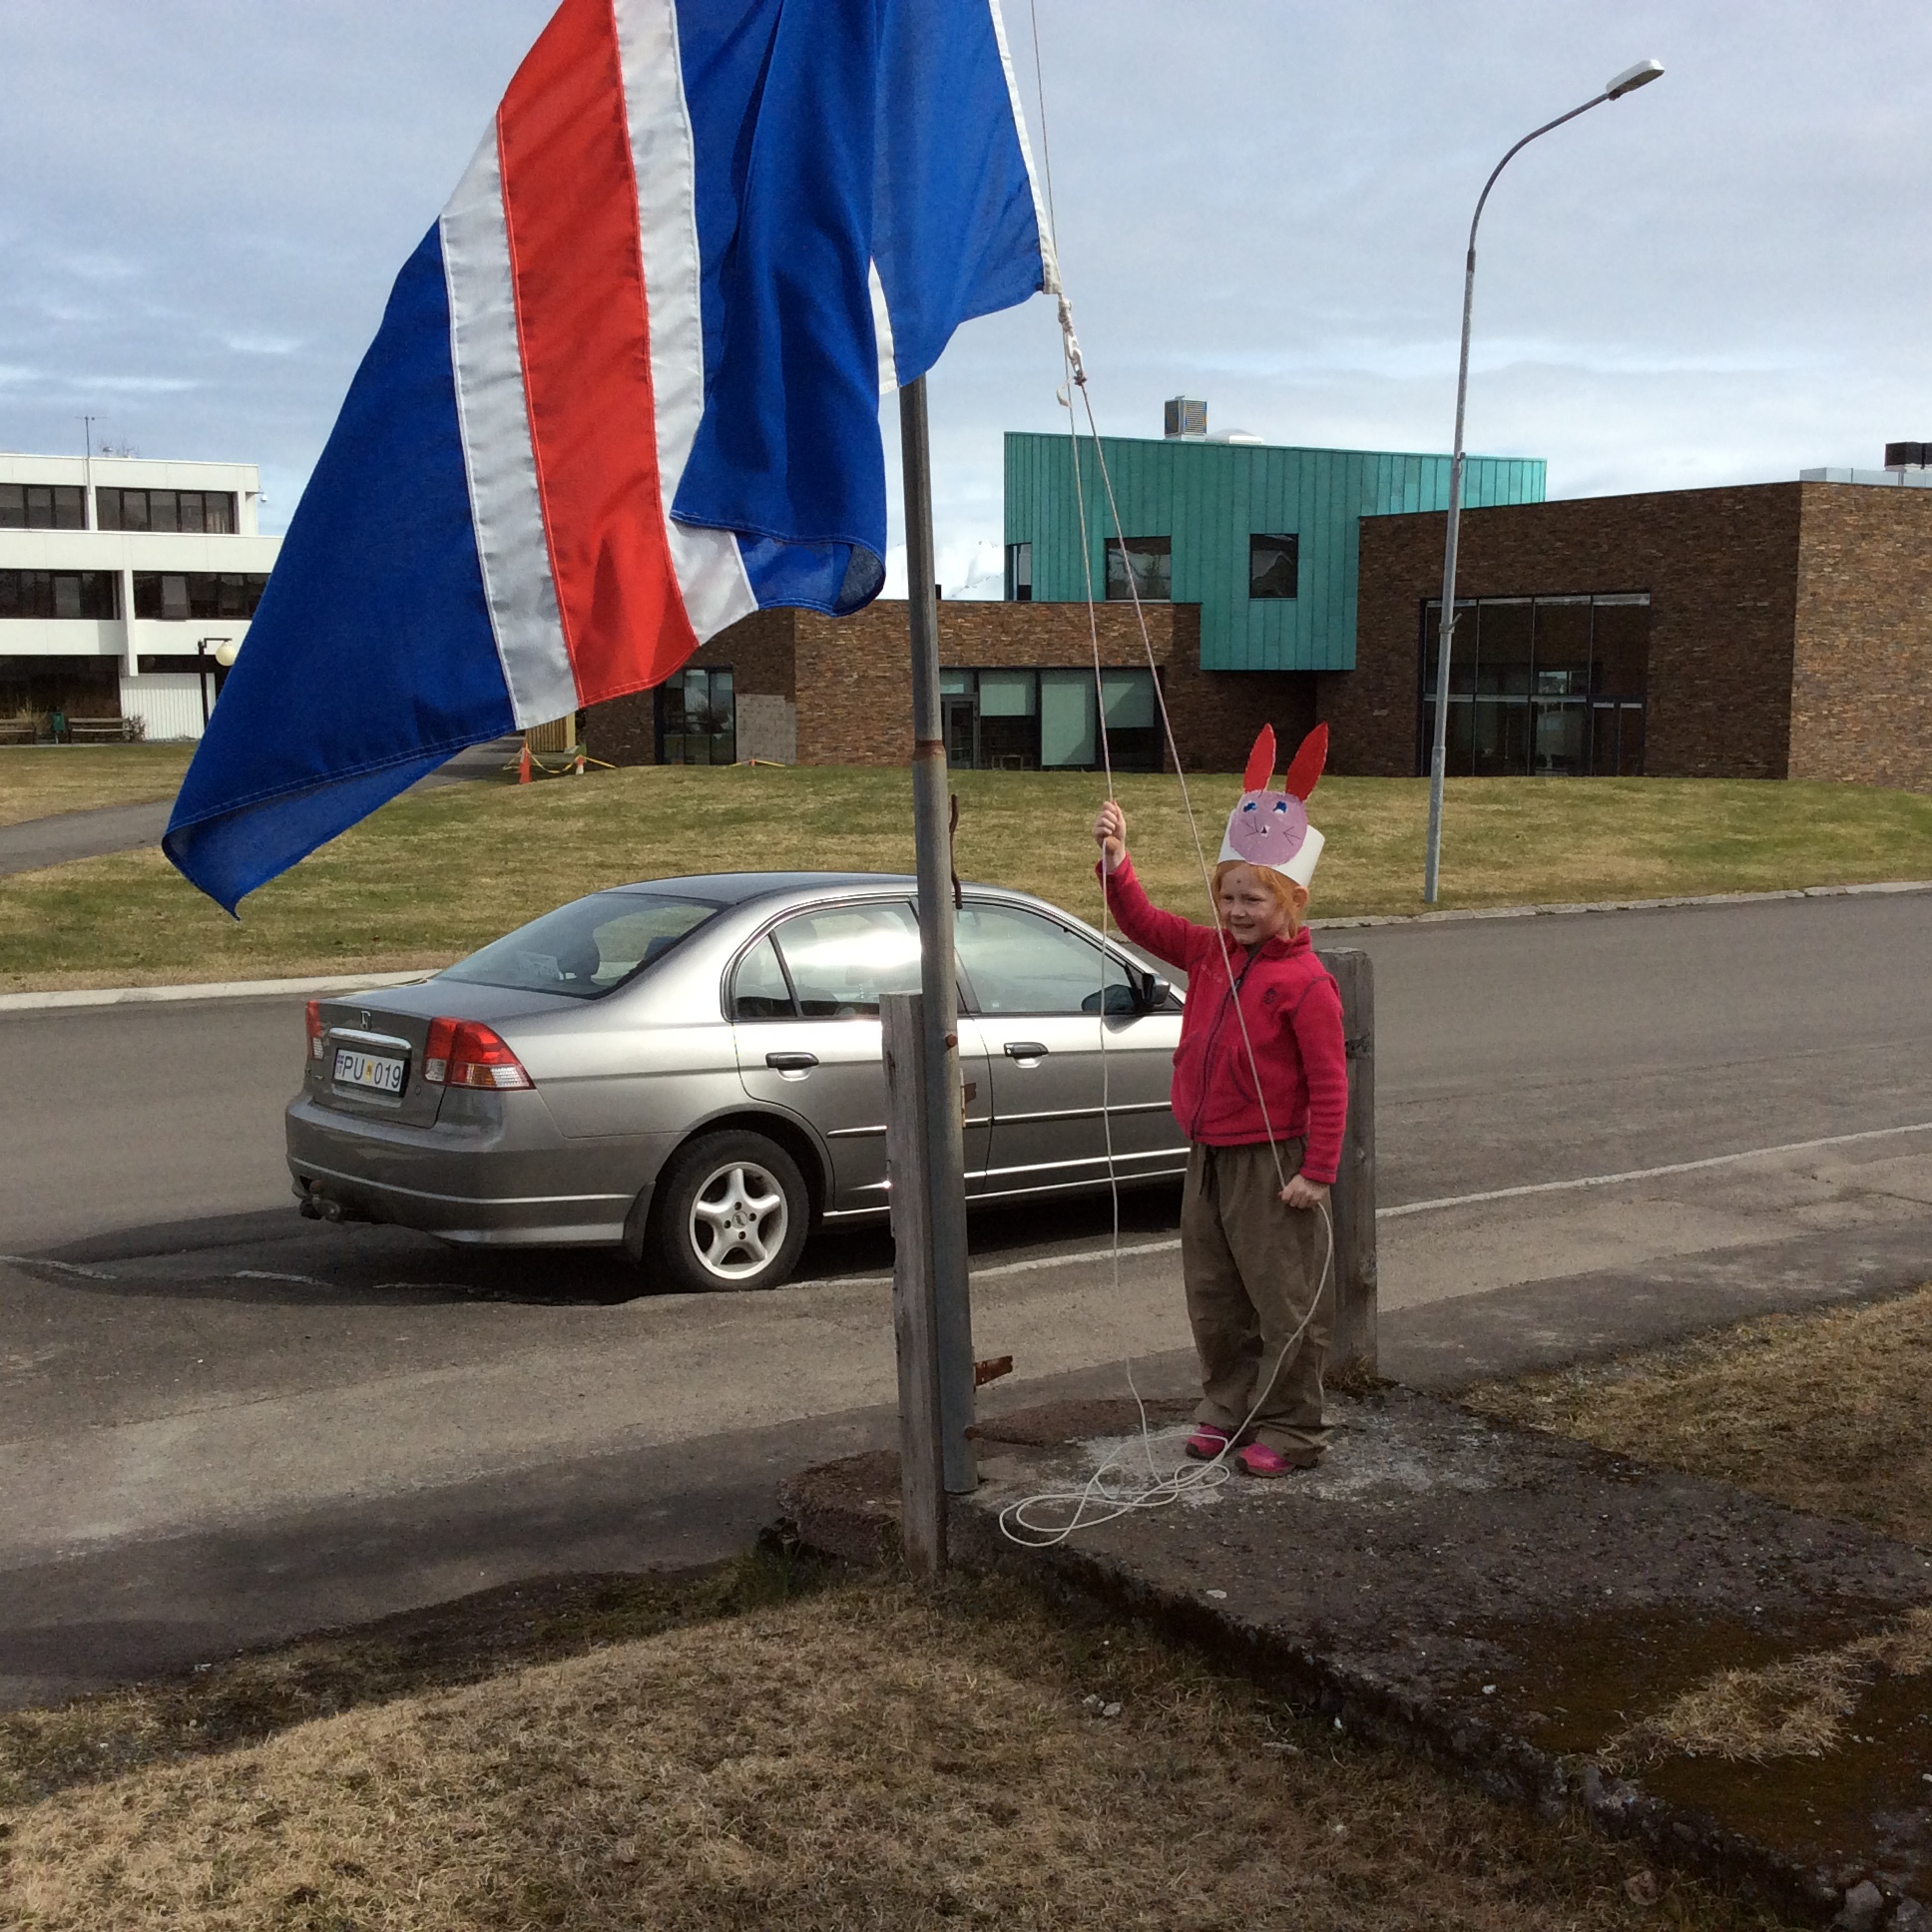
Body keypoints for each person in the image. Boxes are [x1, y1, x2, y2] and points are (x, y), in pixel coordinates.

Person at [1092, 724, 1347, 1475]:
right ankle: (1227, 1409)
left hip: (1274, 1165)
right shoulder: (1209, 953)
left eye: (1254, 899)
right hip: (1208, 1154)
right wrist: (1117, 862)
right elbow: (1143, 923)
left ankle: (1293, 1429)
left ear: (1292, 901)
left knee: (1285, 1299)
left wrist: (1318, 1171)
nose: (1237, 911)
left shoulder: (1307, 984)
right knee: (1214, 1295)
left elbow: (1331, 1083)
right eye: (1228, 896)